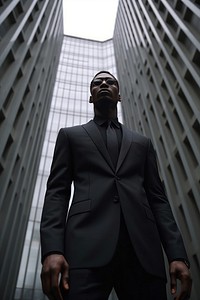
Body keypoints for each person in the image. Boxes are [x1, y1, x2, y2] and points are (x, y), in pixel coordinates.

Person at [40, 71, 192, 300]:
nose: (103, 84)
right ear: (90, 96)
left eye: (110, 82)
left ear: (119, 95)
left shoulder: (143, 143)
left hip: (142, 253)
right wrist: (52, 250)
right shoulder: (70, 136)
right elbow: (57, 193)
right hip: (84, 251)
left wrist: (177, 255)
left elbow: (158, 199)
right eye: (97, 83)